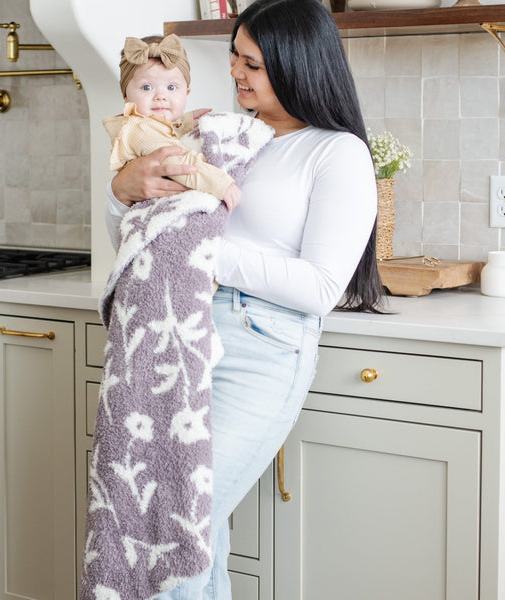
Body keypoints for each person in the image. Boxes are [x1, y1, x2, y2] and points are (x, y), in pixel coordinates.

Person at [103, 0, 384, 597]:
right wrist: (121, 191)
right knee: (195, 548)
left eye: (252, 62)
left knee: (174, 534)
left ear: (297, 64)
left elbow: (320, 287)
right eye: (234, 55)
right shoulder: (219, 136)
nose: (235, 71)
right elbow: (142, 238)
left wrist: (201, 247)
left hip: (262, 349)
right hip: (175, 336)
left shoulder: (335, 152)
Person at [102, 34, 241, 215]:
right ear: (126, 96)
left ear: (187, 92)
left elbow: (162, 132)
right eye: (146, 87)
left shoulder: (147, 126)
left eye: (171, 87)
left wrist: (184, 123)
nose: (161, 96)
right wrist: (222, 184)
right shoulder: (140, 128)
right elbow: (179, 161)